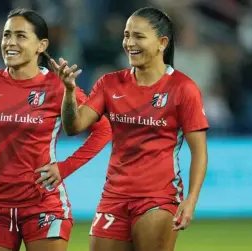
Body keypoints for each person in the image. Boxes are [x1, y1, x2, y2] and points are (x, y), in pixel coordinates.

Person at [0, 8, 111, 251]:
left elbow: (103, 130)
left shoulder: (59, 87)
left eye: (21, 36)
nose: (10, 43)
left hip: (43, 203)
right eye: (6, 35)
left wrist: (64, 168)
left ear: (41, 45)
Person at [52, 7, 209, 251]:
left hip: (158, 197)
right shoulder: (109, 83)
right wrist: (70, 93)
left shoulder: (183, 88)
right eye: (126, 35)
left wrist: (191, 200)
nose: (129, 43)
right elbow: (73, 127)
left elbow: (199, 151)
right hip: (114, 197)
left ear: (162, 43)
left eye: (138, 36)